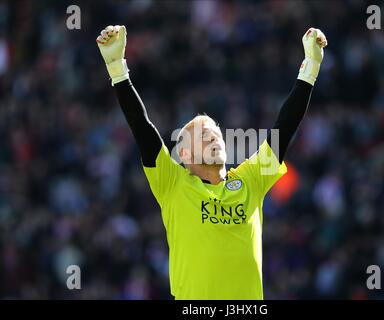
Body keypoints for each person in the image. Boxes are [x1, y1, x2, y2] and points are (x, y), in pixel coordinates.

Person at [96, 24, 327, 300]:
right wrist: (117, 69)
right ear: (184, 155)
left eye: (216, 134)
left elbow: (284, 128)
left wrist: (311, 66)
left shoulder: (250, 180)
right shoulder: (173, 184)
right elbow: (142, 129)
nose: (214, 137)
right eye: (204, 135)